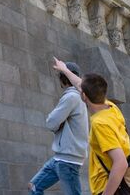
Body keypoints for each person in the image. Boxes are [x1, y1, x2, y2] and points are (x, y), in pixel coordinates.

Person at [53, 57, 130, 195]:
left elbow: (120, 163)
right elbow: (81, 85)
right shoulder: (111, 107)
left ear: (83, 96)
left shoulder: (100, 124)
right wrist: (64, 69)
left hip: (108, 188)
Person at [28, 61, 89, 195]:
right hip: (60, 158)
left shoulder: (71, 97)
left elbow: (50, 123)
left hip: (68, 160)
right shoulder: (78, 97)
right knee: (34, 186)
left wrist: (58, 124)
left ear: (62, 78)